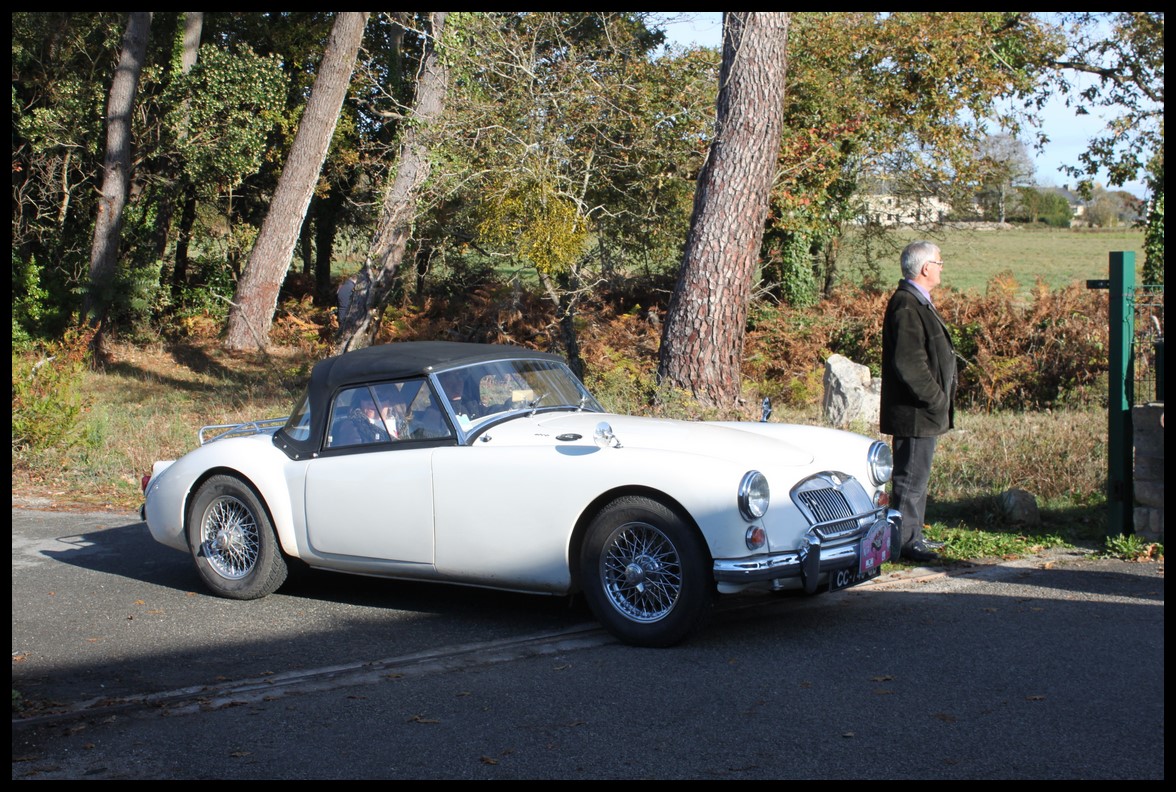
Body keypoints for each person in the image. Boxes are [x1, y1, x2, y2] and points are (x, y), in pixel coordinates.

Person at [880, 240, 957, 562]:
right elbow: (909, 364)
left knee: (917, 477)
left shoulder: (916, 301)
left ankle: (913, 536)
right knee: (909, 478)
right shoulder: (907, 305)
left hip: (922, 411)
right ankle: (904, 544)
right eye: (939, 263)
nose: (941, 268)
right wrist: (936, 400)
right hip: (916, 411)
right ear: (926, 268)